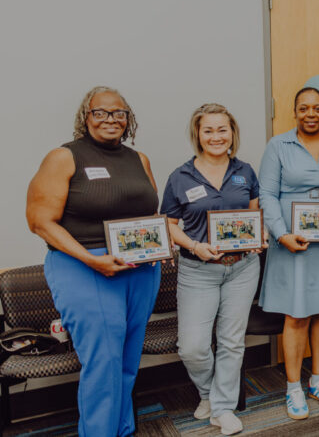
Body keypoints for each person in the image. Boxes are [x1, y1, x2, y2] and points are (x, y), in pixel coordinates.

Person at [26, 86, 161, 437]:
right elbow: (39, 221)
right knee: (103, 362)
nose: (110, 119)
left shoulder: (138, 159)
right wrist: (91, 259)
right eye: (100, 112)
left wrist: (160, 246)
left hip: (140, 269)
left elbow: (149, 213)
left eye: (119, 113)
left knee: (128, 360)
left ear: (128, 119)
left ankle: (123, 429)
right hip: (84, 267)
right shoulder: (64, 157)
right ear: (85, 118)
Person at [160, 103, 262, 435]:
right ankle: (209, 393)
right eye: (209, 130)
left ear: (232, 133)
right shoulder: (181, 176)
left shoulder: (245, 171)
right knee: (192, 346)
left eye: (222, 129)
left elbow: (253, 214)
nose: (216, 136)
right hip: (197, 270)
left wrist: (258, 237)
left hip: (242, 268)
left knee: (231, 342)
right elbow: (170, 225)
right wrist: (193, 245)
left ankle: (221, 408)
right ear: (198, 135)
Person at [258, 87, 319, 420]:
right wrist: (281, 233)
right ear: (295, 111)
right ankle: (293, 388)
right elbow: (267, 195)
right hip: (292, 240)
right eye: (304, 108)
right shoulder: (278, 146)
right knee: (296, 314)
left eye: (317, 108)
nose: (311, 114)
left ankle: (318, 381)